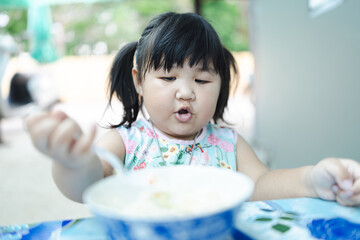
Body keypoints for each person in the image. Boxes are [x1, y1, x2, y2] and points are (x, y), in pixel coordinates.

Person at [25, 12, 360, 206]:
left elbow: (261, 184)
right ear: (139, 81)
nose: (185, 92)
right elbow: (87, 186)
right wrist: (72, 162)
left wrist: (312, 179)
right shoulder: (126, 141)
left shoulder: (226, 143)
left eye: (201, 81)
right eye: (168, 77)